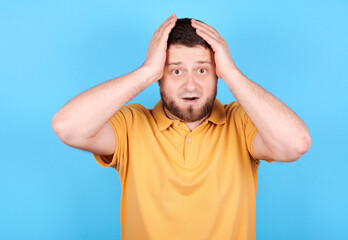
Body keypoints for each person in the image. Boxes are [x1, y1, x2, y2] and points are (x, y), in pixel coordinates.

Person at [52, 13, 311, 240]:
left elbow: (295, 144)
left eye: (202, 70)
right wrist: (146, 71)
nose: (191, 86)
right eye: (176, 71)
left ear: (217, 73)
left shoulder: (241, 123)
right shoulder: (131, 125)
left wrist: (233, 73)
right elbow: (67, 127)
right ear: (159, 78)